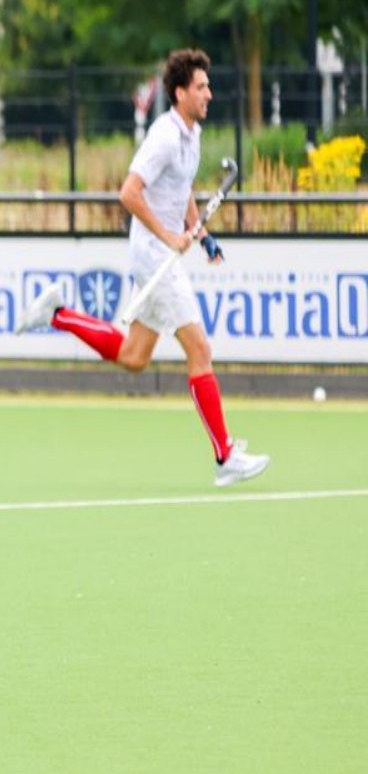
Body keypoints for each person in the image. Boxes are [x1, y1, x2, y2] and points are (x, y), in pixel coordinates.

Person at [16, 48, 269, 486]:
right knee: (200, 350)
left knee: (134, 358)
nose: (210, 93)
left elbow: (183, 189)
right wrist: (169, 235)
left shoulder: (192, 135)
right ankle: (224, 456)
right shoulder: (164, 136)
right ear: (180, 92)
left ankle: (58, 315)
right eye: (202, 87)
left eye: (209, 85)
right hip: (155, 256)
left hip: (161, 253)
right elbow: (129, 192)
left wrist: (201, 234)